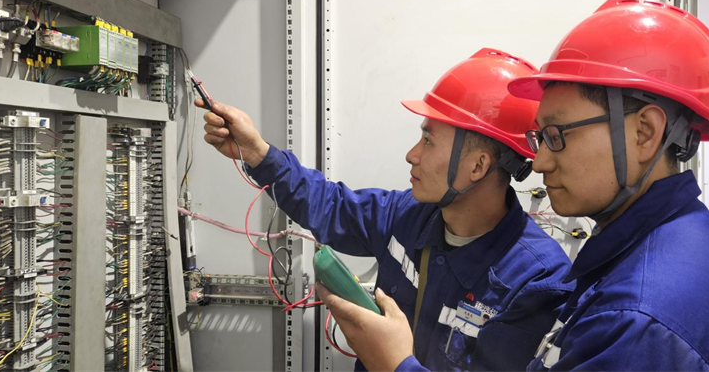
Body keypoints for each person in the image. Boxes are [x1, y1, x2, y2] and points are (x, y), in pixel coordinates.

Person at [199, 49, 573, 371]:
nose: (412, 155)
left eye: (428, 141)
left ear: (478, 166)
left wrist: (397, 365)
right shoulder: (407, 214)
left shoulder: (536, 281)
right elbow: (329, 205)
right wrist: (258, 153)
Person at [504, 0, 709, 371]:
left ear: (645, 133)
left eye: (556, 135)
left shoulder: (639, 322)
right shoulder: (676, 237)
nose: (539, 162)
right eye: (541, 137)